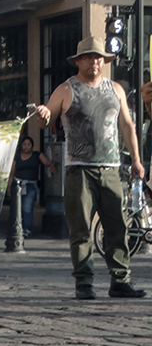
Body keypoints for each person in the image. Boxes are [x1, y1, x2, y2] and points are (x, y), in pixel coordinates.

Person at [36, 37, 146, 300]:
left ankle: (120, 281)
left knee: (117, 226)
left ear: (104, 62)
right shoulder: (66, 89)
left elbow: (127, 125)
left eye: (99, 58)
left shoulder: (115, 89)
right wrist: (42, 113)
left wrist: (137, 160)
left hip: (111, 169)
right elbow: (46, 117)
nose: (95, 61)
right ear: (78, 61)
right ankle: (84, 283)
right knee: (81, 228)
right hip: (79, 170)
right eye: (89, 57)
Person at [7, 136, 56, 236]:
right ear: (21, 146)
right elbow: (12, 173)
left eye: (28, 144)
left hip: (30, 185)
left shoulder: (37, 155)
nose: (26, 147)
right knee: (17, 208)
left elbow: (47, 162)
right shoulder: (17, 156)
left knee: (27, 207)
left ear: (32, 146)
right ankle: (17, 229)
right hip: (17, 185)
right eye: (24, 144)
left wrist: (52, 166)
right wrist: (9, 186)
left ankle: (27, 229)